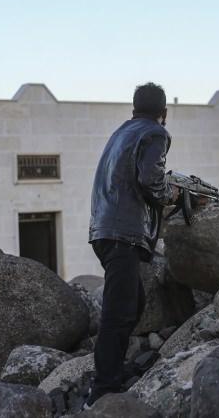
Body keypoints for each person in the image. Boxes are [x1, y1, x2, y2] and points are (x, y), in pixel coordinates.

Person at [85, 82, 179, 408]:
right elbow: (150, 179)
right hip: (122, 234)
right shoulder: (155, 133)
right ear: (163, 113)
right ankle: (102, 392)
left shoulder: (120, 133)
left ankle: (111, 370)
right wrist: (175, 195)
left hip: (103, 230)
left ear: (133, 109)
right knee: (118, 314)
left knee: (133, 305)